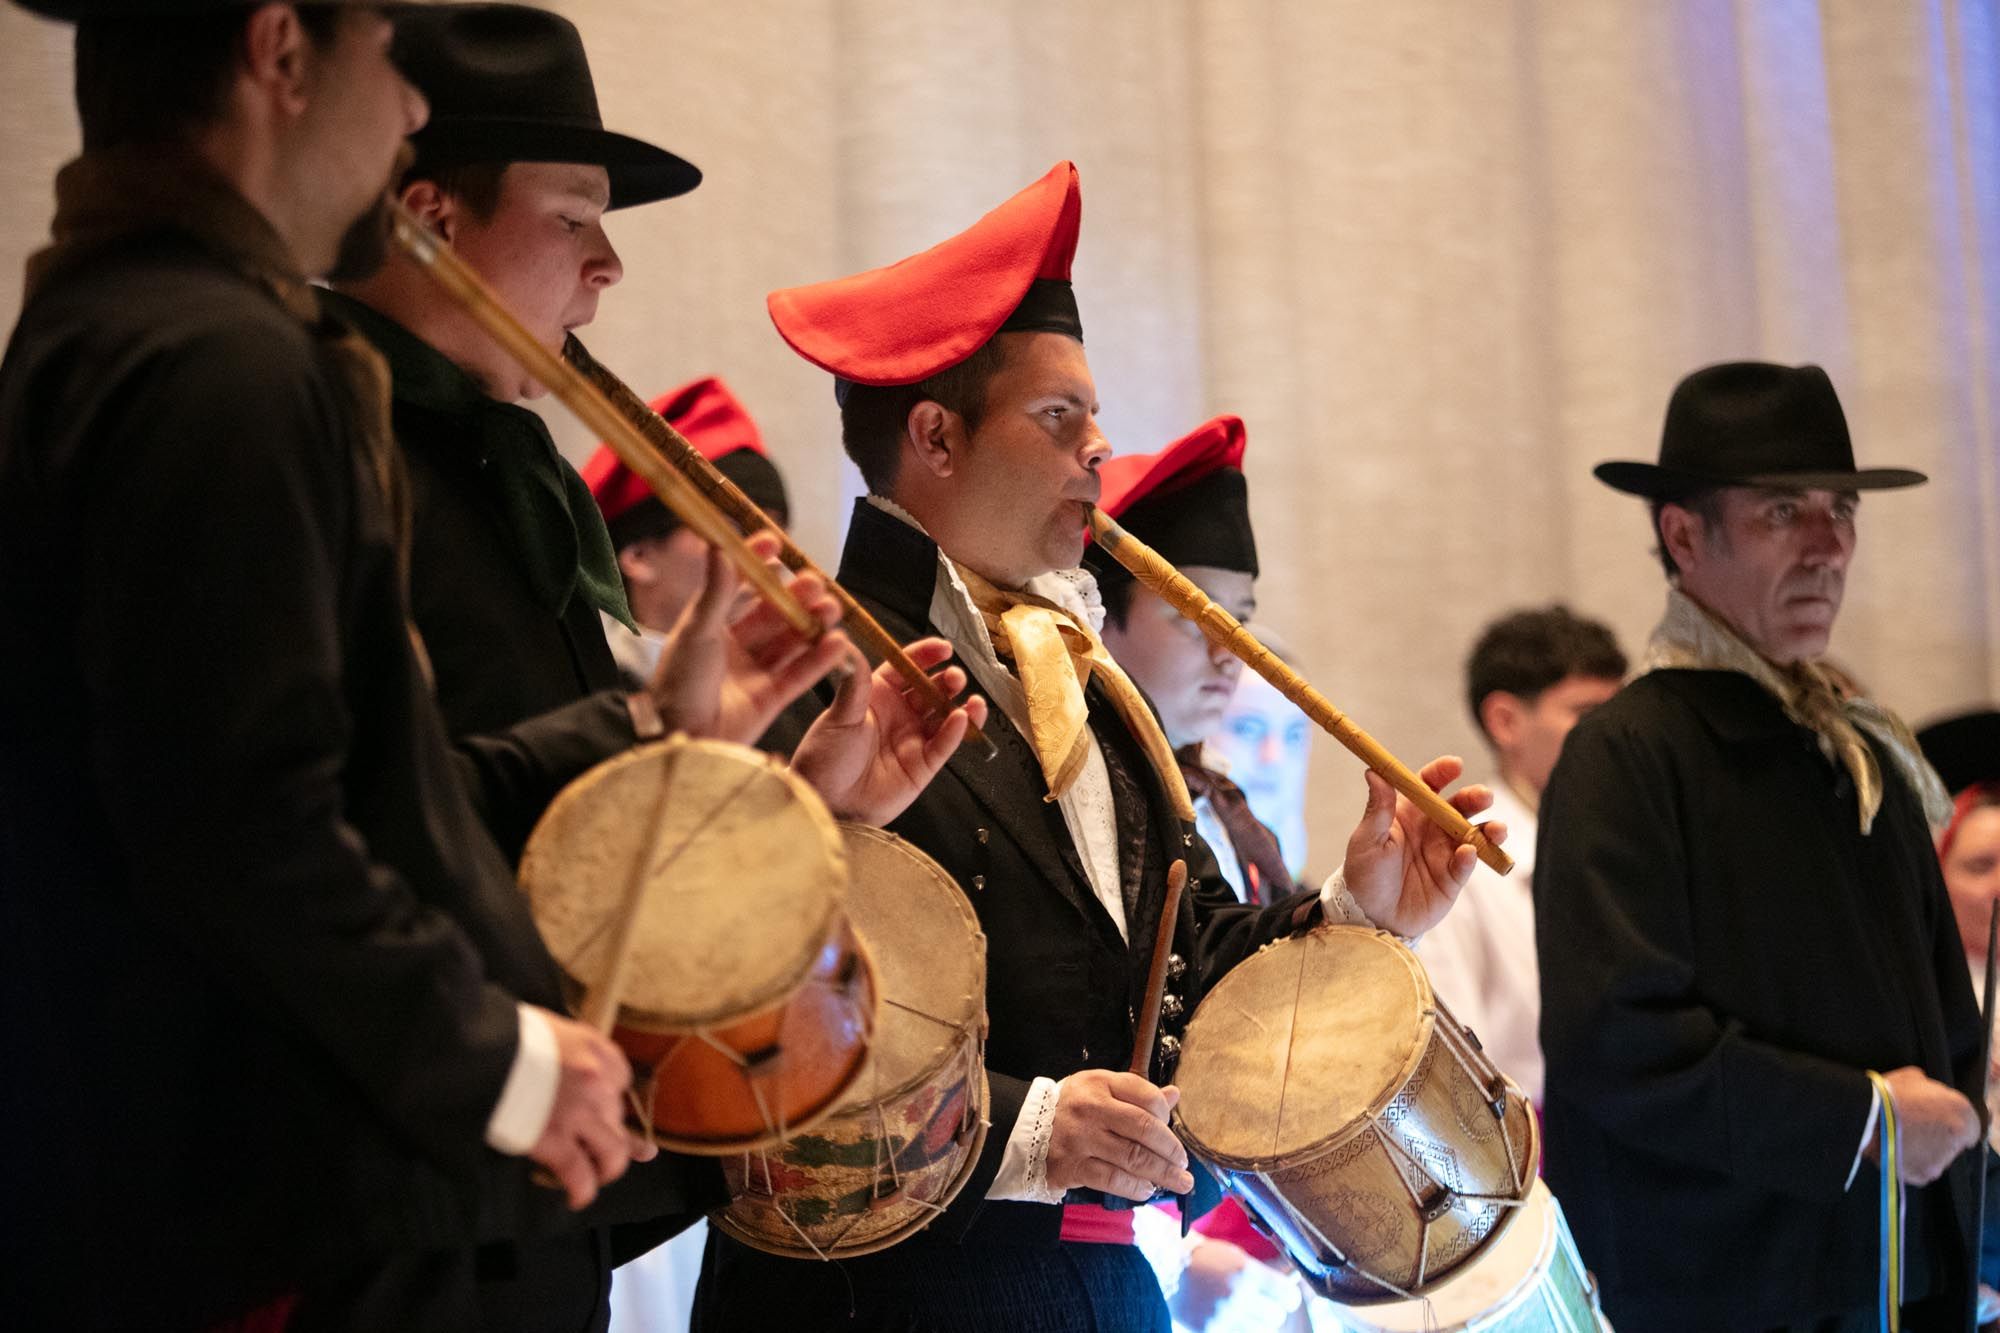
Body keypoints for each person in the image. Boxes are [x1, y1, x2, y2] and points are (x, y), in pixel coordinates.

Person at [693, 160, 1503, 1332]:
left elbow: (1182, 955)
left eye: (1096, 419)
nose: (1098, 454)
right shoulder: (812, 666)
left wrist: (1353, 909)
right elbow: (751, 1030)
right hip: (878, 1303)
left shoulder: (1088, 684)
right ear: (934, 435)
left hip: (1102, 1291)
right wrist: (1025, 1126)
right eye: (1059, 417)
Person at [0, 1, 670, 1326]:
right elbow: (246, 828)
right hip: (272, 1224)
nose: (413, 108)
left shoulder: (115, 324)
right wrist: (508, 1060)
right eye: (386, 49)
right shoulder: (223, 362)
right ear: (280, 52)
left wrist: (664, 720)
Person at [325, 8, 981, 1328]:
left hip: (546, 1218)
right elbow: (371, 838)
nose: (608, 264)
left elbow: (579, 852)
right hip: (394, 1213)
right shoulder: (339, 458)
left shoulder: (518, 480)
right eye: (573, 215)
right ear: (430, 217)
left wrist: (801, 802)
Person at [1536, 360, 1981, 1332]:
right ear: (1682, 534)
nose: (1828, 547)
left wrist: (1965, 1230)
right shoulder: (1627, 753)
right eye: (1783, 512)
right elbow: (1615, 1045)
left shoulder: (1857, 745)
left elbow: (1942, 1037)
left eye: (1840, 510)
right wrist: (1858, 1115)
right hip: (1723, 1292)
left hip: (1893, 1283)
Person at [1416, 606, 1625, 1106]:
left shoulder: (1625, 841)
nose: (1615, 737)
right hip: (1523, 1147)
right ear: (1506, 721)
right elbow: (1453, 1064)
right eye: (1587, 715)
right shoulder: (1463, 863)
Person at [585, 375, 790, 688]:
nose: (770, 563)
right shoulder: (577, 688)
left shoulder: (792, 690)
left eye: (778, 541)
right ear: (638, 556)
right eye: (735, 534)